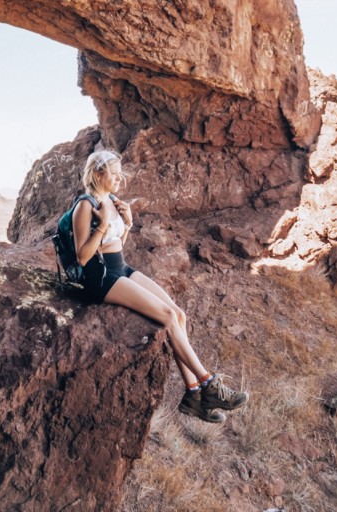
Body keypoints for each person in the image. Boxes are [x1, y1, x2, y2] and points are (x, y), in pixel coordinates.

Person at [72, 149, 249, 424]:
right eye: (115, 173)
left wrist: (126, 225)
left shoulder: (112, 199)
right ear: (98, 173)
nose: (120, 178)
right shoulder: (85, 205)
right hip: (100, 277)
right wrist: (104, 223)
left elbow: (116, 244)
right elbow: (82, 257)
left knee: (178, 314)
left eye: (121, 173)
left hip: (120, 267)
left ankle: (193, 397)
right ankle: (209, 384)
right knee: (166, 318)